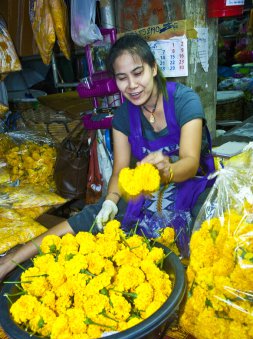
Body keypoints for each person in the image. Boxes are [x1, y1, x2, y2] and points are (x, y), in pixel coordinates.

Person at [0, 33, 215, 282]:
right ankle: (12, 259)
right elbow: (119, 171)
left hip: (193, 182)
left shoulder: (183, 100)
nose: (132, 85)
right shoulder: (124, 116)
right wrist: (111, 202)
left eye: (138, 73)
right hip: (148, 188)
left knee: (205, 227)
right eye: (122, 78)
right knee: (95, 215)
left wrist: (167, 171)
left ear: (153, 68)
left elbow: (189, 161)